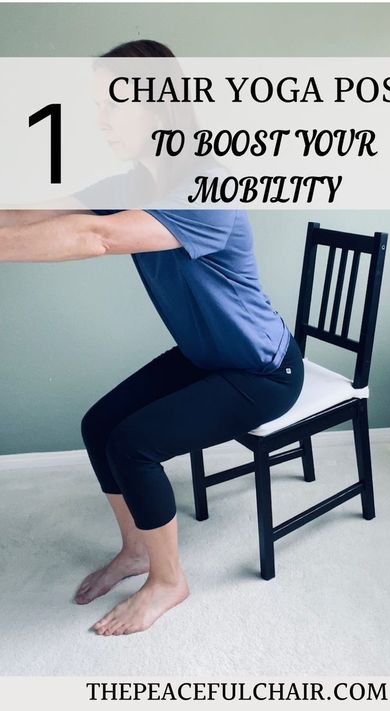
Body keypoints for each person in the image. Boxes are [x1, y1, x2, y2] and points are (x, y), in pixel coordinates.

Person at [0, 39, 305, 636]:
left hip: (262, 371)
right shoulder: (136, 181)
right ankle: (137, 549)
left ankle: (169, 581)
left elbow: (97, 238)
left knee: (133, 444)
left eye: (114, 103)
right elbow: (52, 209)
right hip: (205, 356)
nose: (100, 119)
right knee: (99, 425)